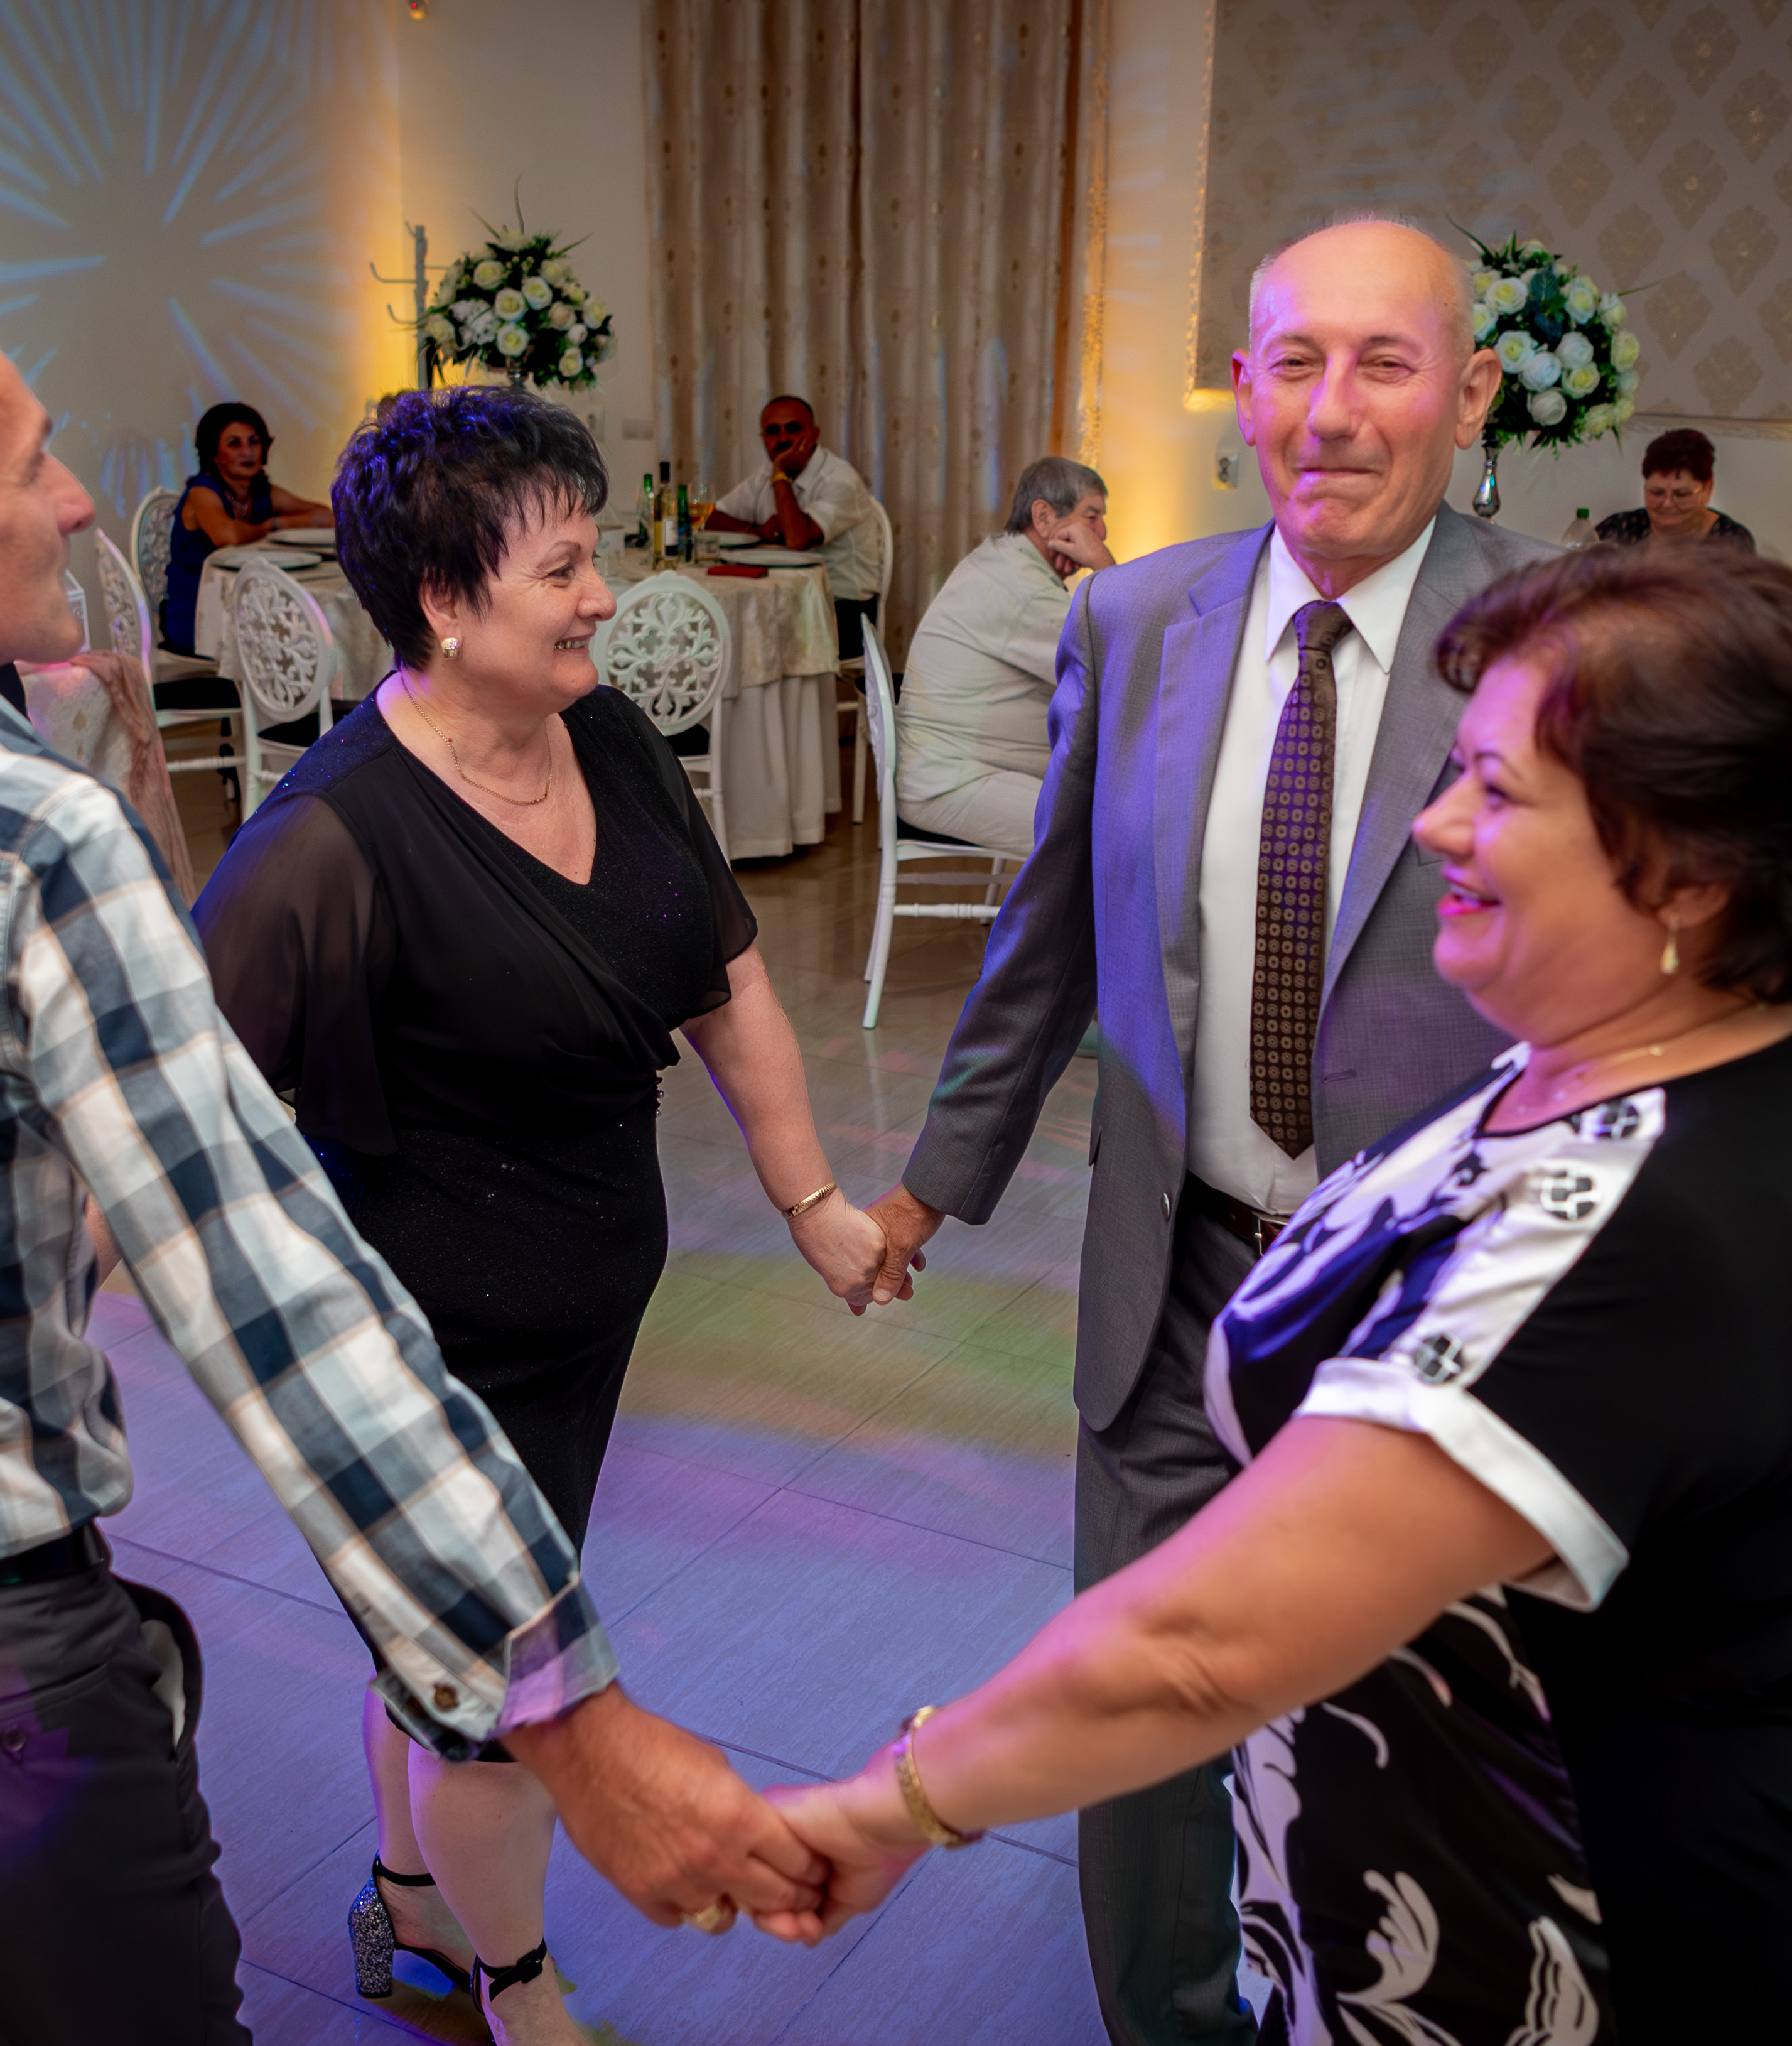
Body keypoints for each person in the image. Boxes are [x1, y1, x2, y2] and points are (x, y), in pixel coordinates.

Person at [0, 267, 824, 2043]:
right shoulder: (26, 833)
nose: (74, 501)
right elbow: (278, 1303)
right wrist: (568, 1707)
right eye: (33, 465)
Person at [775, 547, 1792, 2046]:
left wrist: (895, 1801)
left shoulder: (1647, 1227)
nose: (1435, 823)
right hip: (1412, 1936)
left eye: (1497, 791)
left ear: (1693, 872)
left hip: (1585, 1971)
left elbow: (1205, 1647)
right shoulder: (1615, 1048)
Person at [859, 217, 1558, 2046]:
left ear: (1471, 392)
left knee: (1418, 1745)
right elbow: (1048, 939)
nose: (1331, 411)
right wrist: (934, 1185)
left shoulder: (1562, 635)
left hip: (1429, 1315)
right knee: (1139, 1724)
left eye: (1384, 362)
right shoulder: (1132, 616)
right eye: (1291, 363)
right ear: (1241, 390)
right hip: (1180, 1281)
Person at [193, 384, 892, 2046]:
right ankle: (520, 1995)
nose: (603, 596)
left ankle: (410, 1900)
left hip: (580, 1324)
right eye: (564, 568)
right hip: (428, 1357)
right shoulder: (326, 841)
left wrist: (810, 1199)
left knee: (439, 1662)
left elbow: (726, 981)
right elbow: (179, 1129)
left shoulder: (613, 742)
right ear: (444, 603)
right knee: (508, 1696)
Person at [895, 454, 1115, 856]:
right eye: (1092, 517)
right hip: (955, 781)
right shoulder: (1024, 590)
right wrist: (1105, 567)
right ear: (1044, 517)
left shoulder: (1004, 560)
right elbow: (1115, 663)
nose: (1101, 532)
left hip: (956, 765)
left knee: (1107, 801)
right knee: (1108, 836)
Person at [703, 394, 890, 653]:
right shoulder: (764, 475)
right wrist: (756, 530)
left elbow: (797, 539)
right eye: (773, 431)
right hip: (788, 603)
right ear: (763, 438)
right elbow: (710, 518)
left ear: (813, 434)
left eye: (793, 429)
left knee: (740, 639)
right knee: (719, 630)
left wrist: (780, 476)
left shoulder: (840, 479)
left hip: (843, 611)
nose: (783, 439)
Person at [162, 399, 329, 657]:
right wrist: (266, 528)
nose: (248, 451)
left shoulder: (260, 492)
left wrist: (276, 524)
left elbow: (326, 517)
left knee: (307, 633)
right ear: (215, 455)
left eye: (254, 442)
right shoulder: (202, 492)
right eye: (235, 444)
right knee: (294, 637)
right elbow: (228, 536)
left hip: (246, 611)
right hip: (198, 619)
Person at [1592, 427, 1755, 552]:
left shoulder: (1730, 540)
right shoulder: (1619, 528)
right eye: (1656, 493)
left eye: (1681, 494)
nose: (1667, 504)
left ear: (1708, 489)